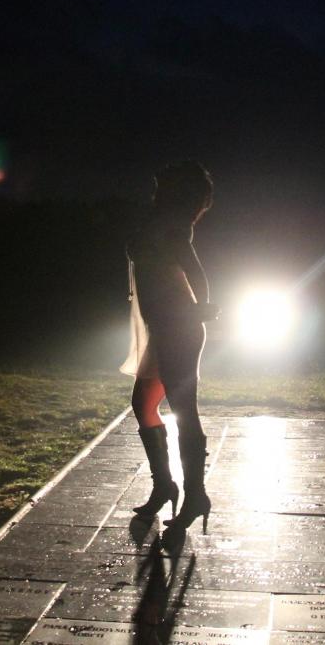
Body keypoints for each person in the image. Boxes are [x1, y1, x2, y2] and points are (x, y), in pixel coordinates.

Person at [120, 160, 220, 532]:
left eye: (162, 184)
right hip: (162, 325)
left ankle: (195, 496)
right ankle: (164, 485)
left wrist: (201, 308)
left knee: (182, 409)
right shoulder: (156, 220)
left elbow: (194, 269)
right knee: (143, 405)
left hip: (178, 326)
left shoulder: (173, 224)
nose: (156, 188)